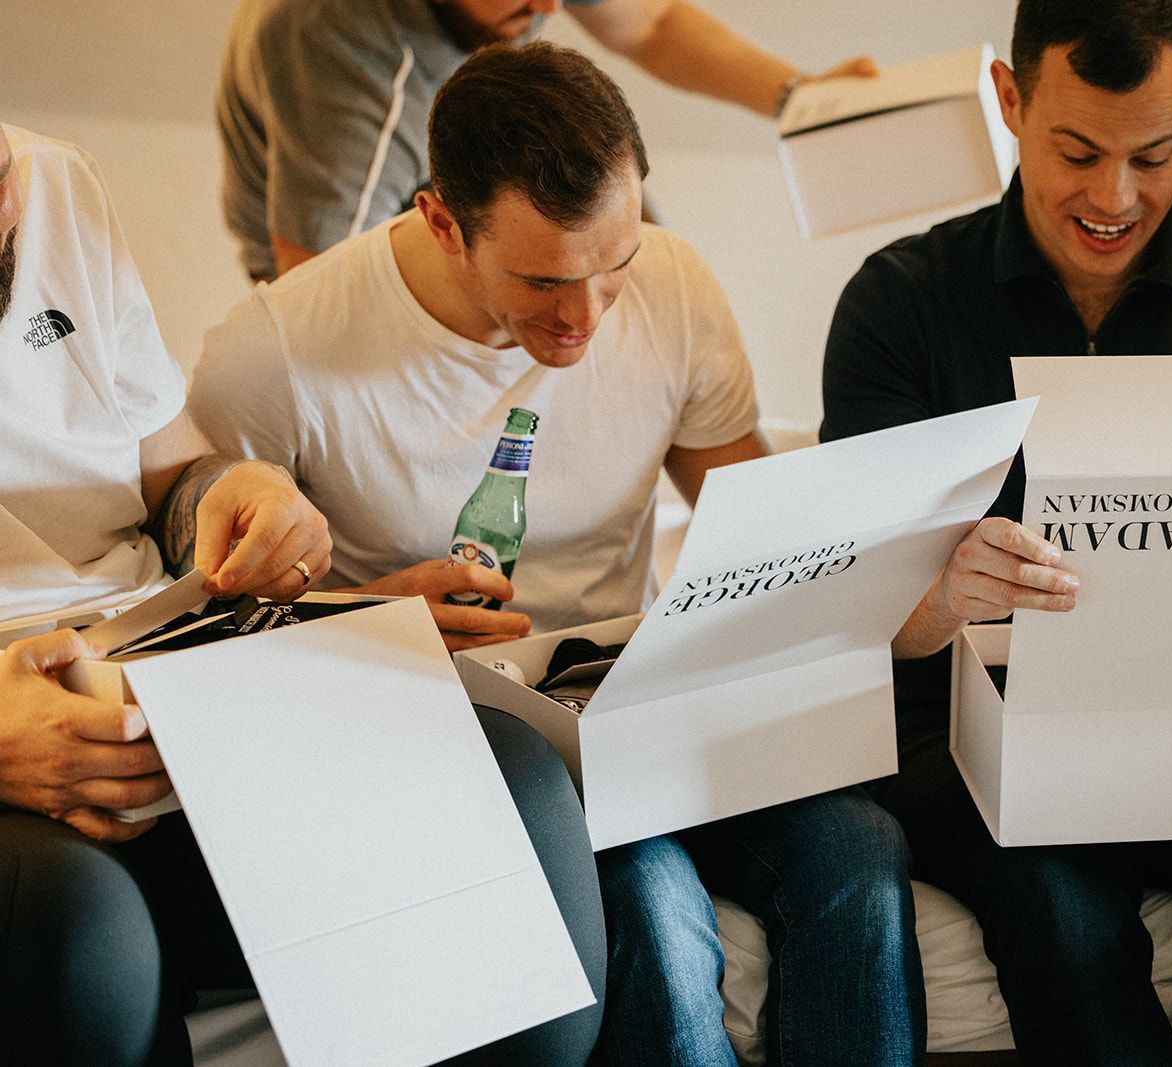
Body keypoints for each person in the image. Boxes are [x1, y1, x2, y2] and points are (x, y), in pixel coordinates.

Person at [190, 41, 923, 1065]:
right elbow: (199, 634)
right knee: (654, 903)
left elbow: (753, 525)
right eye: (540, 280)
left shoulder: (673, 287)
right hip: (461, 742)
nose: (582, 318)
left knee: (859, 850)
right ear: (440, 218)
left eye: (611, 268)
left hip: (637, 705)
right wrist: (366, 615)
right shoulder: (275, 351)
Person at [821, 2, 1172, 1062]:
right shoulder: (897, 306)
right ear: (1008, 98)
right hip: (965, 739)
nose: (1114, 198)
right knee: (1057, 902)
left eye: (1155, 153)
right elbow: (851, 623)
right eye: (1077, 152)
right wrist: (947, 591)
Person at [0, 120, 605, 1066]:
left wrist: (234, 493)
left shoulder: (53, 183)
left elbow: (169, 478)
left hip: (154, 664)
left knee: (506, 785)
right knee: (82, 932)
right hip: (20, 733)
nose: (11, 207)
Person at [218, 0, 875, 281]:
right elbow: (311, 292)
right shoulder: (339, 48)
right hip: (325, 249)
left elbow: (652, 26)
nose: (552, 7)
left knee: (642, 245)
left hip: (446, 159)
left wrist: (803, 98)